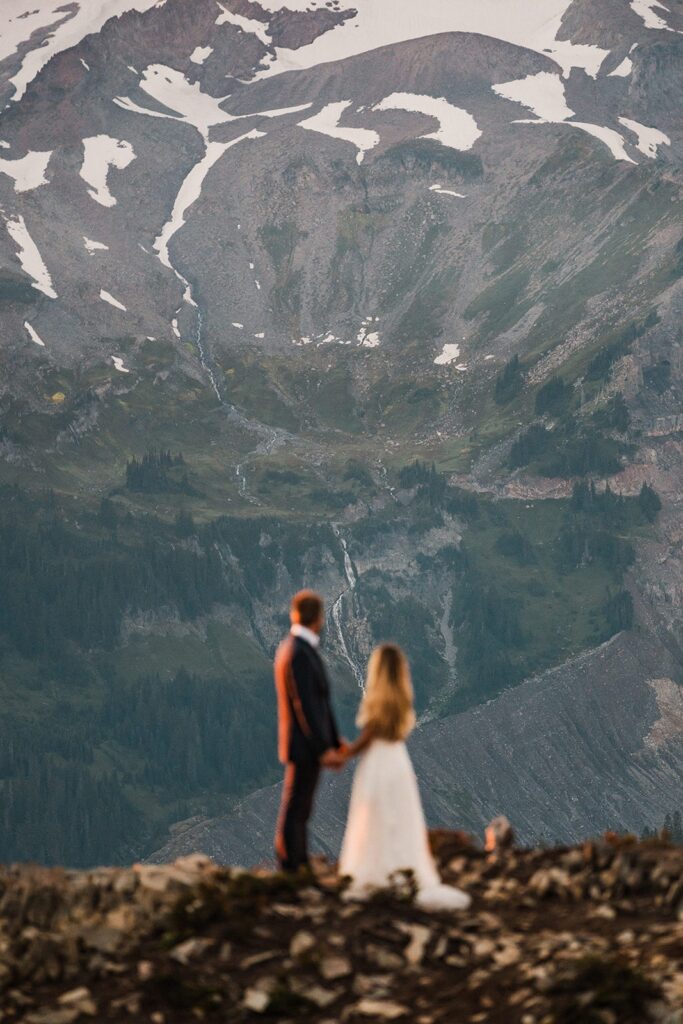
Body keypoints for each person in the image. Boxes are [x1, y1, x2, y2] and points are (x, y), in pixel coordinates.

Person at [338, 643, 470, 910]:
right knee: (401, 817)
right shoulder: (401, 700)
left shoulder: (378, 701)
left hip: (376, 764)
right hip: (398, 763)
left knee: (374, 818)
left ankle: (376, 872)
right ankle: (404, 869)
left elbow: (369, 736)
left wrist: (346, 751)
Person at [274, 590, 346, 872]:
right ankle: (292, 865)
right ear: (318, 619)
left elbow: (317, 704)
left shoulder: (291, 649)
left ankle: (296, 861)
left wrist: (333, 739)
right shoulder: (300, 653)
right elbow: (307, 705)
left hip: (302, 743)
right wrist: (323, 748)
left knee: (300, 805)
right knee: (297, 806)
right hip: (304, 745)